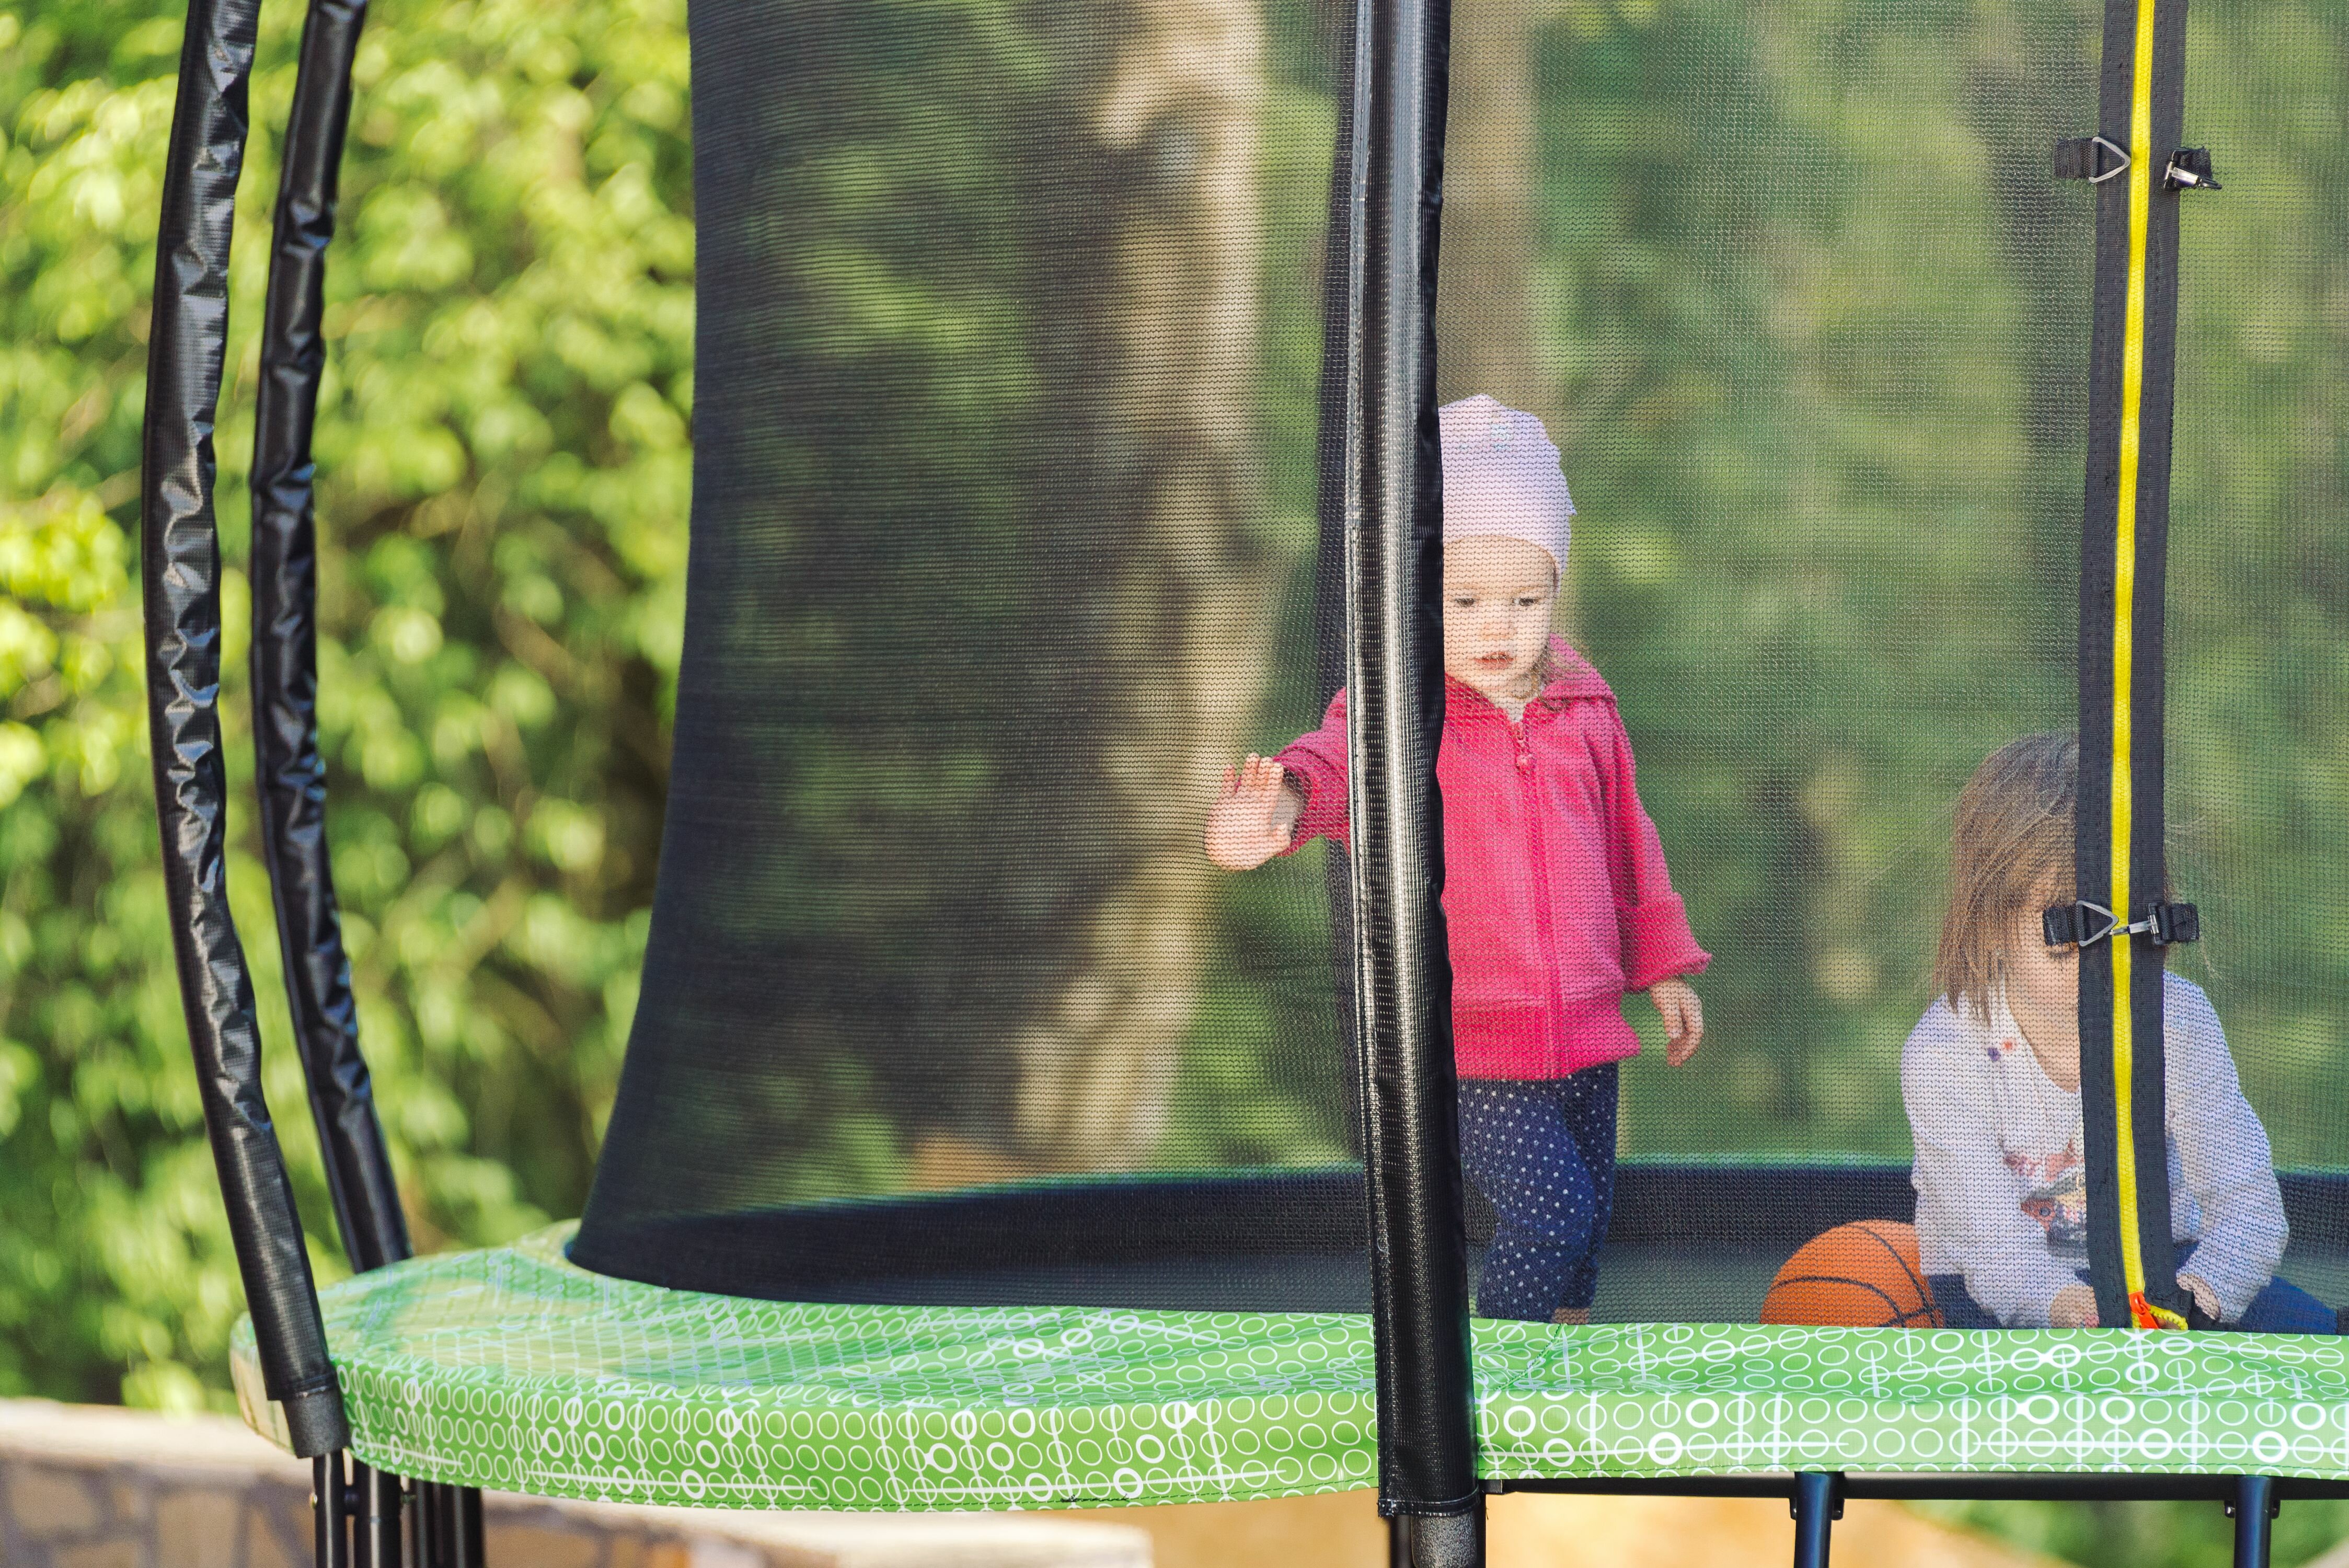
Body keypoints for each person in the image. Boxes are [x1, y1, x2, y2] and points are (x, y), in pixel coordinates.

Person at [1202, 395, 1709, 1325]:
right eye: (1463, 602)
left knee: (1585, 1228)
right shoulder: (1397, 708)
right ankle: (1497, 1379)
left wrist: (1663, 966)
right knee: (1550, 1217)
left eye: (1525, 601)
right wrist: (1273, 809)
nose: (1496, 628)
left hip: (1585, 1027)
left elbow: (1628, 842)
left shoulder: (1583, 705)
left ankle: (1563, 1369)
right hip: (1469, 1039)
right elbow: (1329, 769)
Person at [1904, 732, 2338, 1333]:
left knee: (2324, 1349)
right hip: (1993, 1288)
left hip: (2167, 1267)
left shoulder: (2175, 1021)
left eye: (2128, 926)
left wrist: (2196, 1297)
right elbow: (1991, 1248)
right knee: (2042, 1384)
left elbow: (2249, 1207)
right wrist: (2073, 1310)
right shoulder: (1946, 1056)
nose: (2105, 964)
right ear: (1991, 926)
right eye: (2068, 937)